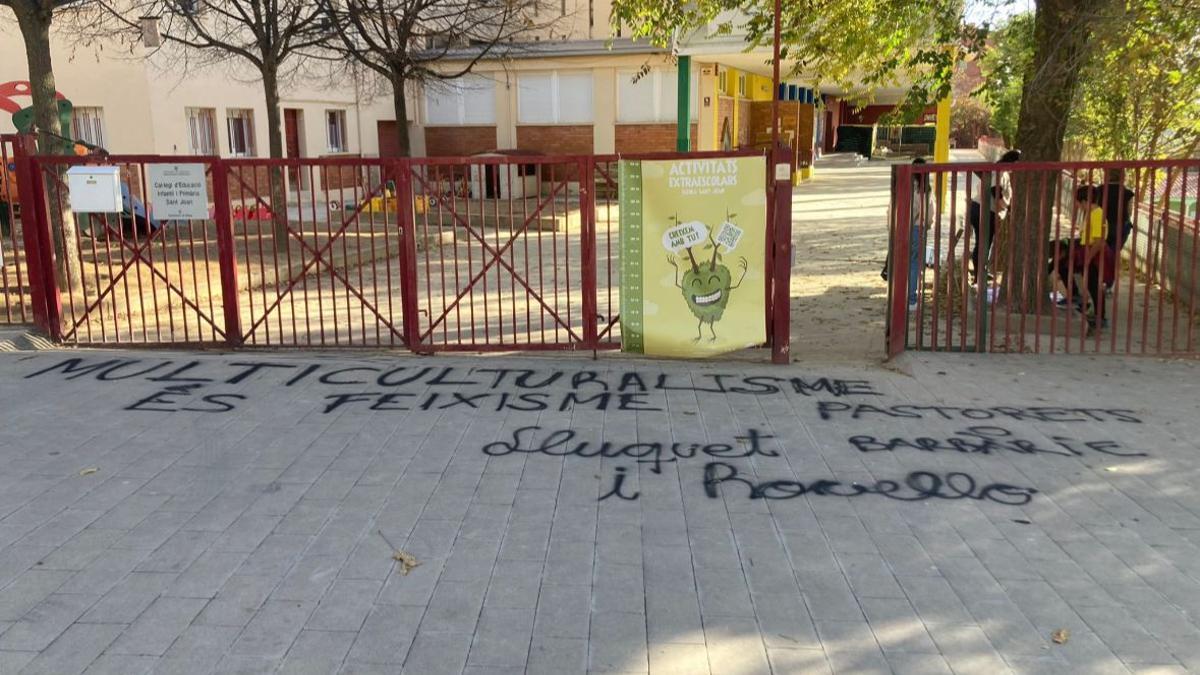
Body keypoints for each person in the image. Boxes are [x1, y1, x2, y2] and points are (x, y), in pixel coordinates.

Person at [1056, 186, 1114, 334]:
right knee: (1072, 271)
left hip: (1094, 253)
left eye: (1078, 202)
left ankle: (1100, 317)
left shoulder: (1097, 214)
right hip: (1086, 250)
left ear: (1085, 201)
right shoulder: (1091, 214)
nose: (1077, 205)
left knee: (1094, 285)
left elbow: (1099, 241)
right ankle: (1081, 300)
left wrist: (1087, 259)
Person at [969, 149, 1020, 282]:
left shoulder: (997, 170)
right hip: (984, 210)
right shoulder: (1000, 171)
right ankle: (979, 275)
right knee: (984, 243)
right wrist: (1008, 208)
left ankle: (980, 273)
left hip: (979, 208)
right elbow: (995, 191)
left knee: (982, 243)